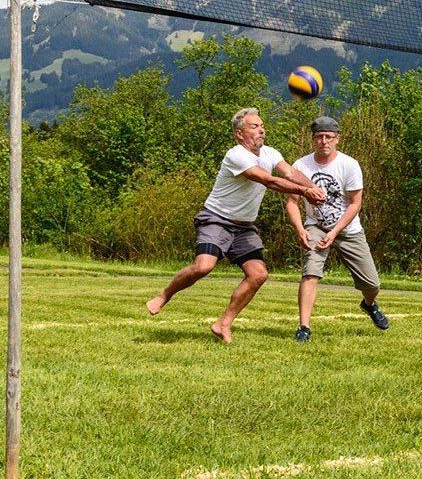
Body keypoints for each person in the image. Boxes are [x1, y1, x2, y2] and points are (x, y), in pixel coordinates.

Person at [146, 108, 325, 344]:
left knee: (258, 274)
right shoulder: (236, 155)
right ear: (239, 134)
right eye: (254, 126)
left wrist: (313, 187)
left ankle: (223, 323)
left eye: (262, 125)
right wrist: (305, 192)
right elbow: (268, 180)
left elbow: (291, 173)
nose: (261, 129)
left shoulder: (271, 153)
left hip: (244, 226)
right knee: (203, 267)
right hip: (217, 219)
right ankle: (164, 295)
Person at [286, 115, 389, 338]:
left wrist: (334, 232)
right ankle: (304, 327)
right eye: (319, 137)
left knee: (372, 283)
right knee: (310, 273)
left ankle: (369, 304)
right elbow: (292, 202)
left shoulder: (349, 165)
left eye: (329, 137)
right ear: (312, 139)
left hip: (347, 228)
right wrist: (300, 229)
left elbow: (355, 204)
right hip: (316, 226)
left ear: (337, 139)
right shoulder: (300, 166)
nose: (324, 141)